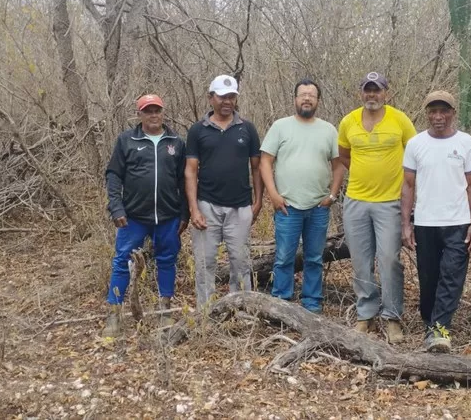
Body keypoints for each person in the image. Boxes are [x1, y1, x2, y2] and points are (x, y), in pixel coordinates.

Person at [338, 71, 417, 343]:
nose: (372, 95)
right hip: (356, 201)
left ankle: (392, 317)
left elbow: (414, 153)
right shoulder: (349, 121)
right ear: (361, 93)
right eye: (367, 90)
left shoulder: (400, 119)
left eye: (377, 90)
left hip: (390, 203)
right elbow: (345, 155)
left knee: (389, 260)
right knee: (360, 261)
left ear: (387, 93)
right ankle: (366, 316)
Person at [103, 94, 189, 337]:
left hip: (168, 216)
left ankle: (165, 311)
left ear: (163, 112)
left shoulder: (176, 142)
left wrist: (185, 212)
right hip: (133, 217)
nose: (153, 115)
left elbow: (185, 180)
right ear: (139, 114)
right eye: (148, 111)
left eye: (157, 110)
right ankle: (114, 314)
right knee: (122, 261)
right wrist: (116, 207)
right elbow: (113, 175)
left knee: (166, 260)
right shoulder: (127, 140)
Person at [401, 91, 471, 353]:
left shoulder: (466, 142)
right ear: (426, 113)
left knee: (452, 276)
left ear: (452, 113)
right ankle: (430, 321)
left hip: (457, 221)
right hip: (425, 222)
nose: (438, 117)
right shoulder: (415, 144)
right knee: (429, 277)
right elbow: (408, 185)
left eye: (443, 111)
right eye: (433, 111)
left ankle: (439, 331)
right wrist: (406, 224)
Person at [259, 79, 345, 313]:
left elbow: (338, 165)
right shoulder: (280, 126)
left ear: (318, 101)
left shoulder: (328, 129)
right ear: (295, 99)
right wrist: (273, 195)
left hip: (318, 207)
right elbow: (265, 161)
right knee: (284, 257)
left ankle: (312, 304)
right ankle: (281, 304)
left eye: (312, 95)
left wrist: (332, 195)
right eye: (302, 94)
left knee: (314, 258)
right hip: (287, 206)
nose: (307, 98)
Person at [185, 75, 263, 309]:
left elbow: (257, 167)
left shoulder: (247, 128)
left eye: (231, 96)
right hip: (207, 206)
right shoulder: (198, 131)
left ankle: (241, 309)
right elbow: (190, 171)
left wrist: (258, 201)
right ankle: (206, 313)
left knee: (240, 262)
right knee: (205, 262)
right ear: (211, 98)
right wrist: (193, 208)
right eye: (222, 96)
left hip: (240, 207)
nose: (227, 101)